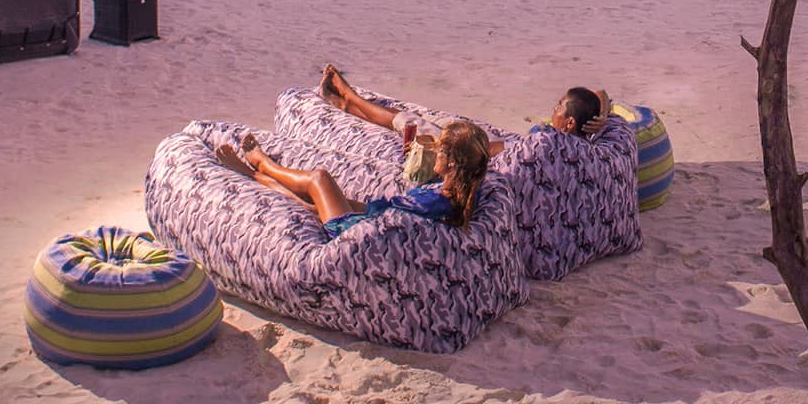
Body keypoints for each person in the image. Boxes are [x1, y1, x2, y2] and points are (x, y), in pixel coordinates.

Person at [215, 123, 492, 235]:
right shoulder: (464, 192)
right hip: (372, 215)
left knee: (319, 180)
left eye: (440, 150)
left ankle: (259, 164)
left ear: (453, 162)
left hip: (354, 229)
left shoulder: (435, 203)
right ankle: (256, 173)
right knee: (311, 203)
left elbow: (391, 219)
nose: (434, 153)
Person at [319, 64, 609, 155]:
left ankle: (349, 97)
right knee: (428, 119)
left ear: (569, 123)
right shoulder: (595, 144)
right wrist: (604, 115)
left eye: (558, 107)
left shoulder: (549, 145)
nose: (553, 109)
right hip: (505, 142)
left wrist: (456, 145)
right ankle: (350, 101)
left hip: (489, 150)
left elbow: (495, 152)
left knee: (409, 122)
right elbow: (600, 94)